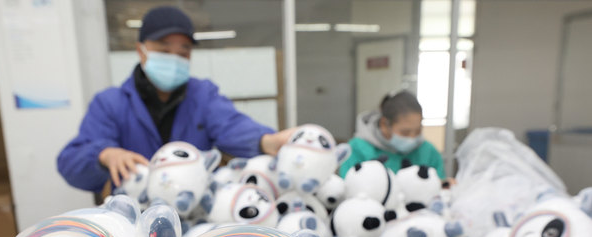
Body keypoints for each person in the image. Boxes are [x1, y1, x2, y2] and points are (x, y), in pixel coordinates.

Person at [57, 5, 294, 192]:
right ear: (141, 51)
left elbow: (232, 126)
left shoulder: (203, 96)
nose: (174, 59)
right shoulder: (110, 103)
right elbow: (71, 163)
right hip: (135, 218)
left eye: (183, 52)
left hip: (194, 211)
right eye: (164, 50)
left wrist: (266, 141)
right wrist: (106, 155)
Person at [339, 90, 445, 179]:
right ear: (384, 124)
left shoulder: (428, 151)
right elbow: (349, 186)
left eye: (418, 131)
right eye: (405, 132)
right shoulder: (357, 149)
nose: (413, 138)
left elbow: (438, 184)